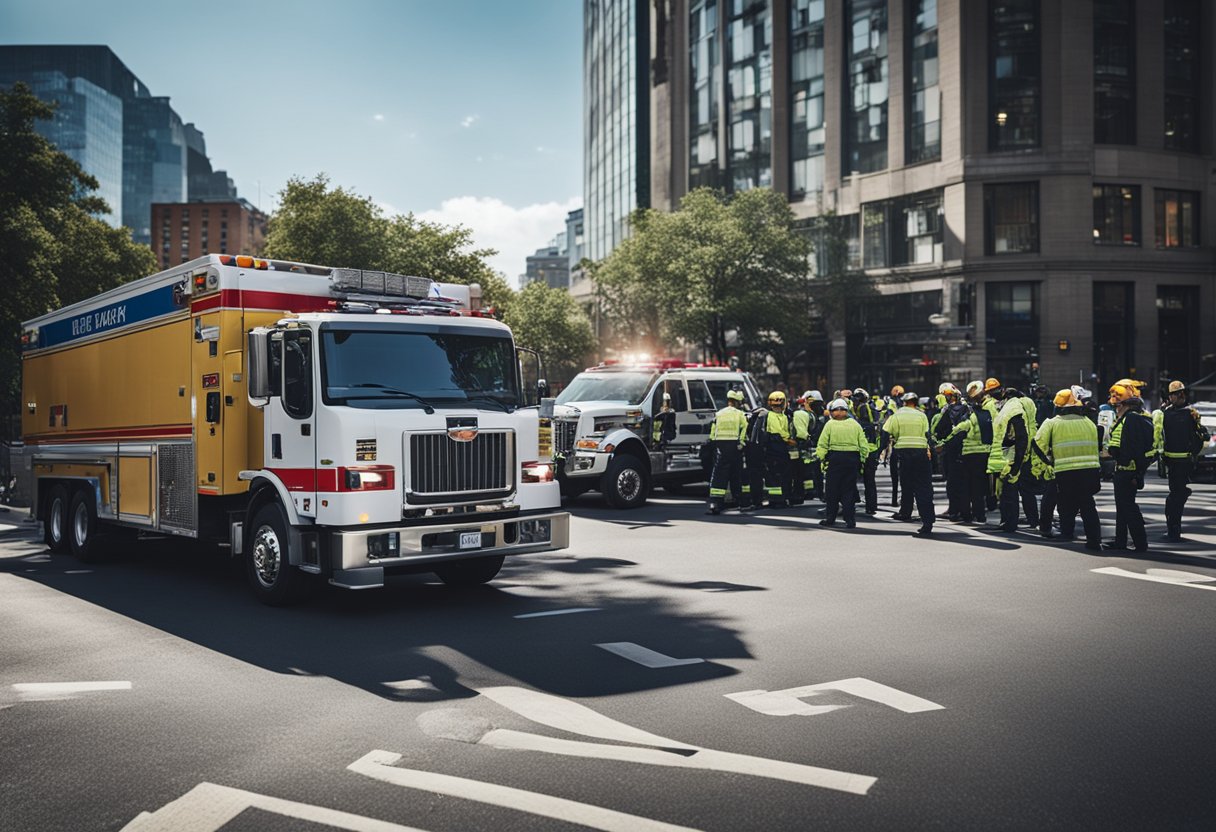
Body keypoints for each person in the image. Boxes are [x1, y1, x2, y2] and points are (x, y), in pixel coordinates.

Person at [1031, 389, 1102, 550]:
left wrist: (1046, 464)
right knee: (1088, 505)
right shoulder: (1088, 422)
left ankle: (1067, 533)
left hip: (1065, 471)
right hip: (1090, 471)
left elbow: (1037, 446)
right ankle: (1094, 540)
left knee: (1065, 504)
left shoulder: (1052, 423)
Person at [1103, 383, 1154, 552]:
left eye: (1118, 405)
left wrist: (1138, 473)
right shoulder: (1130, 418)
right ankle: (1121, 541)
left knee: (1128, 507)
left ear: (1126, 405)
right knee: (1123, 507)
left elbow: (1135, 448)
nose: (1115, 409)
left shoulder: (1131, 419)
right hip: (1124, 470)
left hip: (1127, 470)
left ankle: (1140, 544)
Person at [1157, 380, 1209, 541]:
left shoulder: (1190, 413)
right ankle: (1173, 529)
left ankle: (1174, 531)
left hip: (1182, 463)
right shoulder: (1166, 413)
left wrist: (1193, 452)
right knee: (1175, 497)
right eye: (1175, 394)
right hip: (1172, 463)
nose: (1178, 397)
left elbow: (1203, 436)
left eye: (1179, 394)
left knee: (1174, 498)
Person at [883, 392, 935, 537]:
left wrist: (880, 451)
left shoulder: (897, 415)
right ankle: (928, 522)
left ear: (904, 402)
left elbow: (885, 432)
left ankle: (905, 512)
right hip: (921, 453)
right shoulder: (922, 415)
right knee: (923, 487)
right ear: (916, 402)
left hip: (904, 453)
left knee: (906, 485)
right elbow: (927, 435)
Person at [986, 380, 1032, 532]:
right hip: (1006, 457)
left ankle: (1010, 523)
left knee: (1010, 492)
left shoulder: (1013, 409)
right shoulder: (1007, 408)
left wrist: (1017, 464)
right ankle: (1007, 521)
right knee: (1005, 493)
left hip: (1011, 457)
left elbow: (1021, 436)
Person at [816, 398, 869, 528]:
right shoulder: (855, 424)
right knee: (848, 491)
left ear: (833, 411)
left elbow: (822, 444)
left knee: (832, 491)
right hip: (851, 460)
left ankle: (830, 518)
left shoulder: (830, 425)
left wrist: (822, 459)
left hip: (834, 459)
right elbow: (864, 446)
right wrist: (861, 460)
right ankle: (850, 520)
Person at [706, 389, 749, 515]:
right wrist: (741, 444)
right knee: (736, 475)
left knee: (719, 475)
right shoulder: (740, 414)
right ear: (736, 402)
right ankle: (740, 502)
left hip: (721, 447)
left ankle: (715, 503)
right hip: (735, 447)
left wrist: (714, 443)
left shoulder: (719, 414)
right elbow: (744, 430)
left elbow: (713, 431)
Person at [935, 383, 971, 520]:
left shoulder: (947, 411)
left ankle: (954, 510)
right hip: (966, 449)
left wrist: (939, 441)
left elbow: (939, 430)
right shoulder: (968, 410)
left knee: (951, 481)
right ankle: (965, 511)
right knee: (964, 481)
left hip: (950, 449)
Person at [852, 388, 884, 515]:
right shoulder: (874, 423)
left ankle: (852, 504)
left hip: (861, 453)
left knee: (852, 478)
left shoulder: (860, 424)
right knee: (870, 480)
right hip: (873, 453)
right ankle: (872, 506)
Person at [762, 390, 795, 508]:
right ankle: (778, 499)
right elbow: (780, 432)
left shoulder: (783, 416)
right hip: (776, 447)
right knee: (777, 474)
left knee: (777, 474)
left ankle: (778, 498)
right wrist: (790, 440)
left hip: (778, 447)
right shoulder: (771, 416)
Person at [886, 384, 905, 506]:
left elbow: (886, 428)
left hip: (896, 444)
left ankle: (895, 500)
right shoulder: (910, 409)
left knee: (895, 476)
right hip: (905, 447)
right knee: (904, 475)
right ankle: (902, 499)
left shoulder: (891, 407)